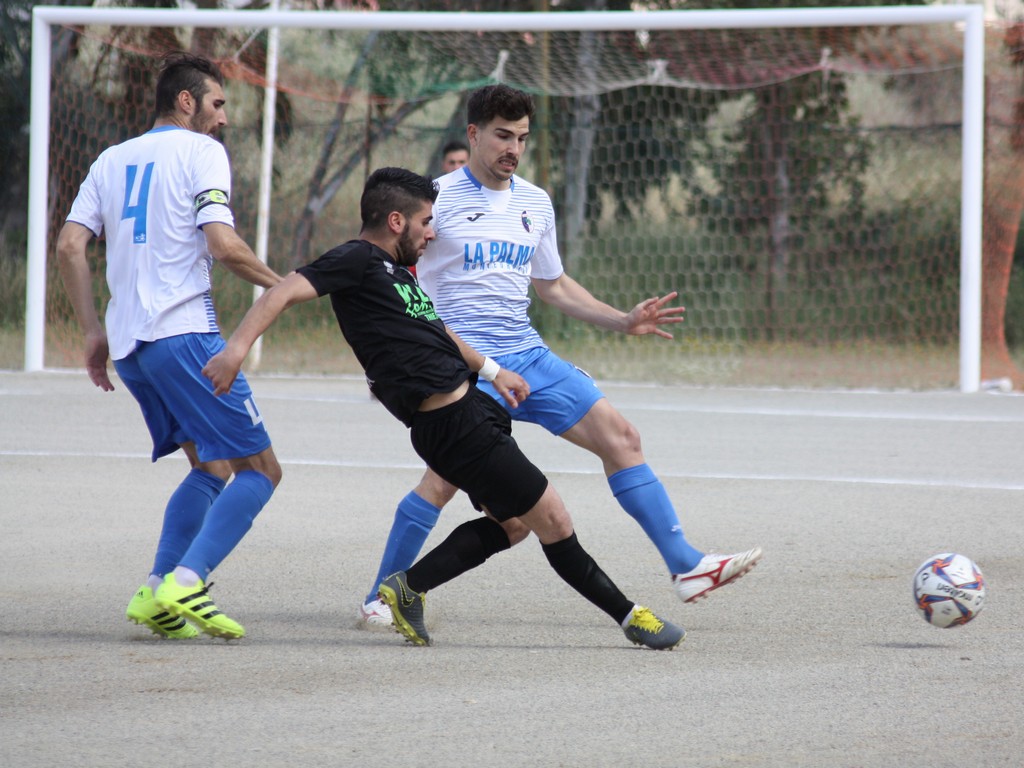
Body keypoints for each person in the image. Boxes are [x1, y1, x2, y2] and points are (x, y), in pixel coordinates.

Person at [203, 167, 685, 650]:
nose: (432, 232)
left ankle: (407, 589)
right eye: (426, 222)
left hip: (472, 410)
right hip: (453, 427)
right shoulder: (355, 259)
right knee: (555, 521)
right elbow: (284, 290)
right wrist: (235, 350)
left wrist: (495, 373)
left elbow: (440, 332)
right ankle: (632, 619)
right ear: (396, 221)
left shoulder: (397, 273)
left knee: (514, 524)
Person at [358, 84, 761, 627]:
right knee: (441, 482)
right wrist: (389, 364)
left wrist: (622, 319)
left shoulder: (534, 202)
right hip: (463, 367)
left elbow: (554, 286)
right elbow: (388, 282)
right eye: (502, 135)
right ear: (474, 134)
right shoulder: (435, 201)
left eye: (522, 137)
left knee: (623, 438)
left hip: (528, 355)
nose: (513, 148)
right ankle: (380, 598)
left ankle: (685, 565)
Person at [56, 51, 283, 641]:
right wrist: (286, 287)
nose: (223, 118)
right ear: (187, 101)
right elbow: (223, 245)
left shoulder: (110, 159)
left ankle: (156, 591)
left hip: (132, 350)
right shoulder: (201, 152)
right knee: (261, 470)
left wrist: (91, 331)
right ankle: (189, 579)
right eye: (218, 102)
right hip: (183, 336)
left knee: (210, 466)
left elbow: (70, 246)